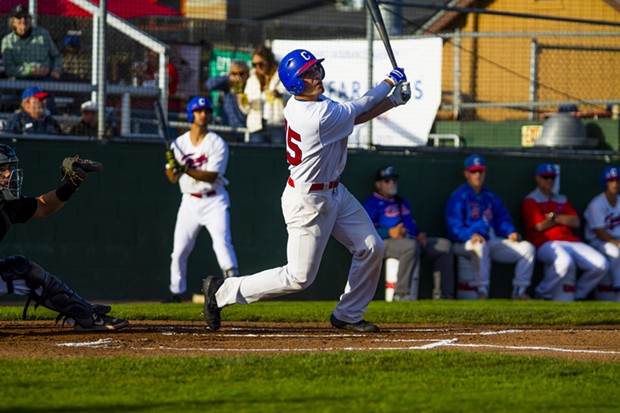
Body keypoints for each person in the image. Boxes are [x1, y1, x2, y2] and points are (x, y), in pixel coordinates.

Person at [201, 48, 411, 332]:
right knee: (299, 277)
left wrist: (393, 102)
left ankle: (348, 314)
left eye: (315, 69)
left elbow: (350, 117)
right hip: (308, 200)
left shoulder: (312, 104)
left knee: (371, 246)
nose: (316, 76)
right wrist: (389, 82)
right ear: (295, 83)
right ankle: (222, 292)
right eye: (308, 73)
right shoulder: (316, 114)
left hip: (335, 191)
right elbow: (359, 106)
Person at [0, 144, 128, 331]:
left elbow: (43, 207)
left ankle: (85, 315)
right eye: (1, 169)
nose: (8, 174)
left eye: (9, 168)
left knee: (23, 270)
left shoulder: (7, 203)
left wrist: (72, 185)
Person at [163, 96, 239, 303]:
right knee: (179, 249)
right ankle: (176, 292)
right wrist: (173, 166)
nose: (203, 115)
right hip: (189, 201)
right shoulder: (179, 143)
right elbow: (171, 178)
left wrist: (184, 168)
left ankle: (234, 287)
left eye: (206, 111)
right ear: (191, 114)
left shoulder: (217, 143)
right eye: (199, 111)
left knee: (222, 243)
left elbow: (211, 175)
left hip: (214, 200)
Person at [445, 154, 535, 299]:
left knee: (527, 248)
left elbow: (502, 219)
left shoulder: (490, 196)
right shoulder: (459, 196)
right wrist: (470, 235)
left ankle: (519, 292)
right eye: (473, 171)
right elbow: (454, 226)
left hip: (491, 240)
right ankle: (482, 292)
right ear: (466, 173)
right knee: (480, 246)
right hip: (464, 243)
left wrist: (510, 231)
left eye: (480, 171)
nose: (478, 175)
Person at [363, 165, 454, 300]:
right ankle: (401, 294)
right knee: (410, 247)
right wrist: (389, 232)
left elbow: (411, 225)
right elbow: (366, 232)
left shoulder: (402, 202)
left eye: (394, 180)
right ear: (378, 184)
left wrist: (419, 234)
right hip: (385, 242)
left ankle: (444, 295)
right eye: (387, 180)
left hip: (410, 239)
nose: (392, 183)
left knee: (444, 246)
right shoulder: (371, 203)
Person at [521, 162, 608, 300]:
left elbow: (576, 221)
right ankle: (541, 293)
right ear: (538, 178)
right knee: (564, 261)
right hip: (545, 242)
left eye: (552, 177)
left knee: (601, 265)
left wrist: (554, 217)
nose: (549, 180)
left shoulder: (562, 199)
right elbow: (539, 226)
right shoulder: (531, 200)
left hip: (570, 241)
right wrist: (562, 219)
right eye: (545, 177)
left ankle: (578, 295)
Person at [1, 4, 62, 114]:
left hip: (45, 79)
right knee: (30, 104)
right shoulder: (7, 41)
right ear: (13, 21)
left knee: (48, 104)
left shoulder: (42, 34)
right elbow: (10, 69)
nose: (23, 20)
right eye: (19, 17)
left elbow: (56, 56)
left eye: (26, 17)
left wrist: (56, 69)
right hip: (22, 81)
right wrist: (30, 70)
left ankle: (52, 126)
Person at [584, 166, 620, 301]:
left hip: (616, 241)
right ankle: (617, 288)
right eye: (611, 180)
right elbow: (599, 232)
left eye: (617, 180)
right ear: (605, 182)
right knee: (615, 252)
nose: (615, 184)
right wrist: (618, 243)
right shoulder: (597, 204)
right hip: (598, 242)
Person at [240, 45, 288, 144]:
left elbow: (293, 98)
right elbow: (246, 110)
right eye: (255, 64)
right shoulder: (251, 80)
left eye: (261, 63)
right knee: (258, 157)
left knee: (277, 156)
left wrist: (280, 95)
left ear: (269, 60)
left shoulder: (282, 76)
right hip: (256, 127)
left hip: (277, 125)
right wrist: (243, 103)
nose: (258, 67)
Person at [205, 60, 249, 142]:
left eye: (241, 74)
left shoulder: (251, 86)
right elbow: (208, 84)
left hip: (246, 131)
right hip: (228, 130)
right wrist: (227, 77)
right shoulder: (227, 85)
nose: (238, 77)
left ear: (247, 74)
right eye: (234, 73)